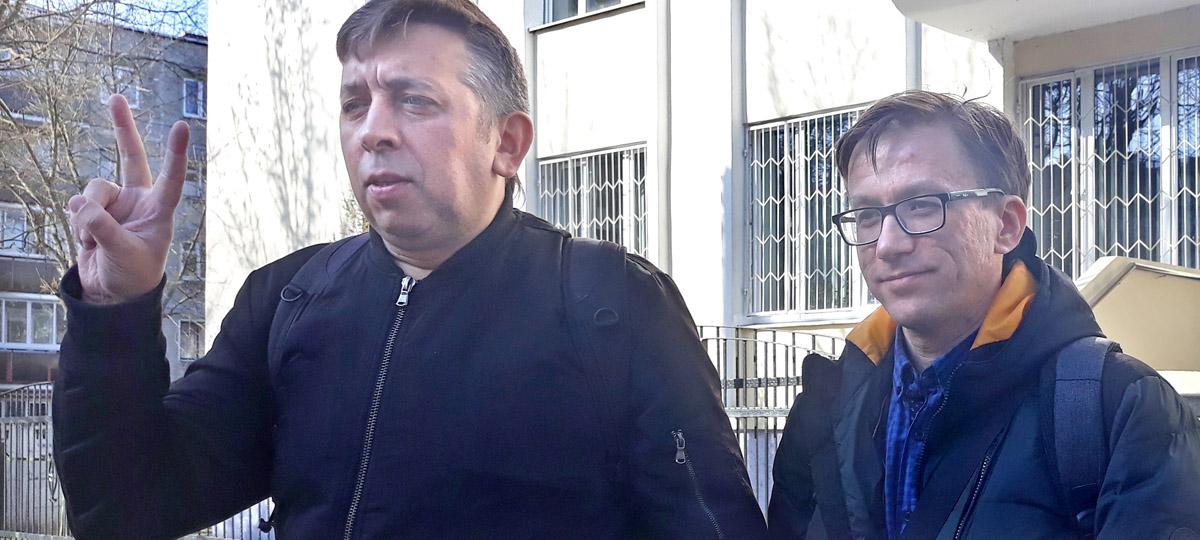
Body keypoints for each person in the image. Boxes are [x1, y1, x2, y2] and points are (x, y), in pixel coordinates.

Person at [53, 1, 767, 537]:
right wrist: (114, 310)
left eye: (414, 100)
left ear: (507, 143)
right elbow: (123, 508)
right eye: (354, 104)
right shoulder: (288, 298)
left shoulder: (612, 303)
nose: (373, 130)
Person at [767, 90, 1200, 539]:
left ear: (1006, 225)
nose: (888, 245)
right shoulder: (826, 407)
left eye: (922, 205)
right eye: (867, 215)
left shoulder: (1119, 408)